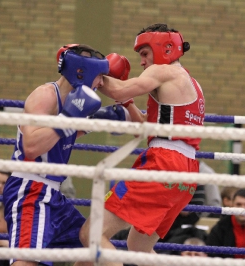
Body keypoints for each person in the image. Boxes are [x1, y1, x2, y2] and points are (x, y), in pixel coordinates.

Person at [79, 23, 205, 266]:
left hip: (164, 163)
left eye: (145, 54)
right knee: (138, 246)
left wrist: (90, 70)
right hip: (186, 172)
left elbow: (119, 89)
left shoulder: (164, 72)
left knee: (92, 233)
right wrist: (128, 103)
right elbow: (148, 125)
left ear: (164, 49)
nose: (142, 62)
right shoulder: (190, 82)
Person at [2, 44, 130, 266]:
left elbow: (63, 134)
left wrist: (97, 121)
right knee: (27, 260)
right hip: (31, 190)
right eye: (100, 76)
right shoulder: (45, 95)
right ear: (82, 71)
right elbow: (31, 147)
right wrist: (69, 118)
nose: (101, 83)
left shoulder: (71, 100)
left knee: (90, 246)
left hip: (53, 195)